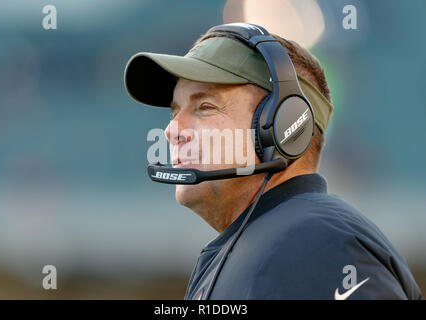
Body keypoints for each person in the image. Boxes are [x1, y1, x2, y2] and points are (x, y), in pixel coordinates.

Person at [123, 23, 422, 300]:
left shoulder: (315, 242)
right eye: (174, 112)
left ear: (282, 127)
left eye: (205, 107)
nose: (172, 130)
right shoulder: (261, 244)